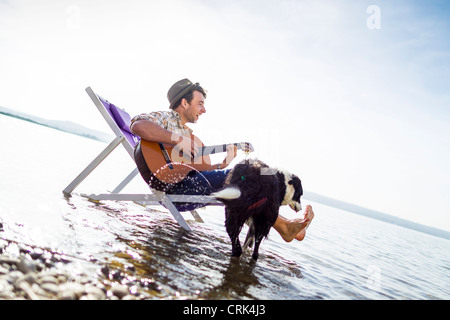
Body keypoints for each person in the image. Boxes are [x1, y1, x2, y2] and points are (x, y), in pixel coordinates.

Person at [130, 79, 314, 242]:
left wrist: (223, 164)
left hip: (188, 186)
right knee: (248, 176)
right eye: (200, 103)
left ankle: (286, 225)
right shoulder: (166, 119)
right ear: (184, 103)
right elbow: (138, 126)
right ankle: (286, 225)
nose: (204, 110)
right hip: (173, 191)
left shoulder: (189, 136)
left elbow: (199, 172)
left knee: (246, 181)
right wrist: (176, 139)